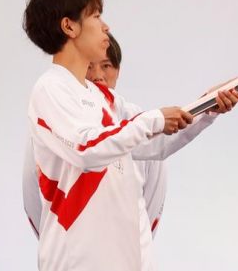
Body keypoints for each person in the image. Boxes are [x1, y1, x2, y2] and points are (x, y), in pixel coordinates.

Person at [22, 0, 238, 271]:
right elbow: (86, 148)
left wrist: (206, 108)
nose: (106, 27)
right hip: (76, 262)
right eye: (96, 16)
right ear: (69, 27)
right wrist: (153, 119)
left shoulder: (106, 99)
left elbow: (155, 140)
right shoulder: (49, 89)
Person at [23, 32, 169, 246]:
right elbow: (33, 197)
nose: (97, 75)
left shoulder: (140, 120)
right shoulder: (54, 120)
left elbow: (154, 199)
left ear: (118, 70)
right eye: (89, 66)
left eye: (106, 66)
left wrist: (137, 248)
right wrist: (55, 244)